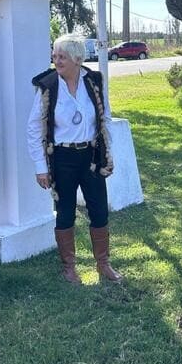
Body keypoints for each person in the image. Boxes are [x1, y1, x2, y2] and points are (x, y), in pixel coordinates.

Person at [27, 34, 122, 285]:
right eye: (55, 55)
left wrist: (107, 153)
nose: (56, 60)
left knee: (99, 209)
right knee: (65, 212)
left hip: (90, 156)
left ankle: (103, 264)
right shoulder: (48, 85)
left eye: (62, 56)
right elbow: (34, 128)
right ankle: (69, 267)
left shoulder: (93, 82)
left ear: (78, 59)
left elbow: (106, 118)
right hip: (62, 158)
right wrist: (40, 167)